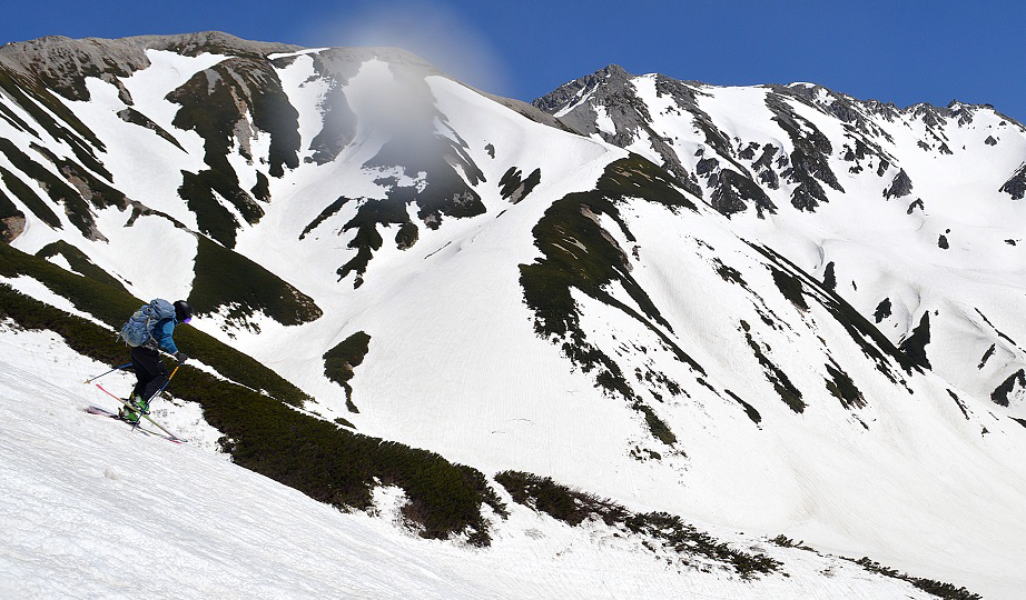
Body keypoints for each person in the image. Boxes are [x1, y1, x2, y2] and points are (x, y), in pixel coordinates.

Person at [119, 300, 192, 423]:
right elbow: (165, 337)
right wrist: (177, 354)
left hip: (137, 349)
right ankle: (139, 402)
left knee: (145, 379)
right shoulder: (170, 320)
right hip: (147, 351)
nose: (184, 322)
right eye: (186, 320)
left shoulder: (160, 317)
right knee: (161, 375)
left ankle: (128, 412)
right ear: (181, 314)